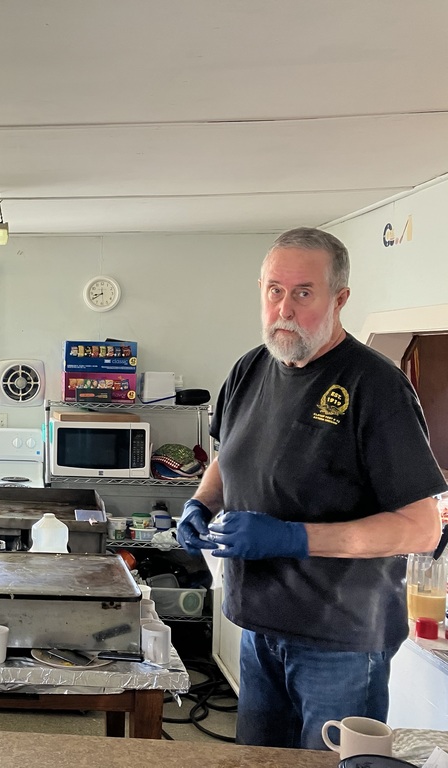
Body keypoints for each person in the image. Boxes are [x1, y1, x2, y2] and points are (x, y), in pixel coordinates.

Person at [176, 228, 446, 749]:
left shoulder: (376, 386)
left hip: (340, 639)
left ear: (339, 299)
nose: (285, 308)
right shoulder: (250, 368)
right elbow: (227, 458)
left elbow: (421, 528)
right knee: (259, 761)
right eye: (275, 290)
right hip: (258, 626)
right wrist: (200, 503)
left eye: (303, 292)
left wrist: (292, 538)